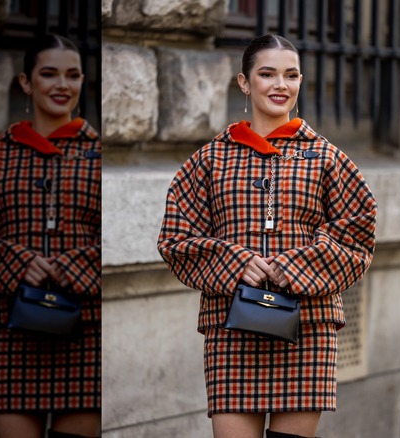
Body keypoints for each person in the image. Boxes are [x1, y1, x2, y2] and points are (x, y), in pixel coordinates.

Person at [157, 34, 376, 438]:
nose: (281, 85)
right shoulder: (209, 159)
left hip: (308, 326)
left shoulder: (328, 157)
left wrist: (292, 266)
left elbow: (358, 237)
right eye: (267, 74)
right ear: (244, 82)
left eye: (291, 75)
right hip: (231, 327)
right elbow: (175, 239)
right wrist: (237, 262)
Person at [0, 34, 101, 438]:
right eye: (49, 74)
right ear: (26, 83)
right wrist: (18, 262)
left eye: (72, 75)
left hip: (87, 329)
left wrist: (72, 266)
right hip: (12, 331)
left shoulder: (100, 156)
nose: (61, 85)